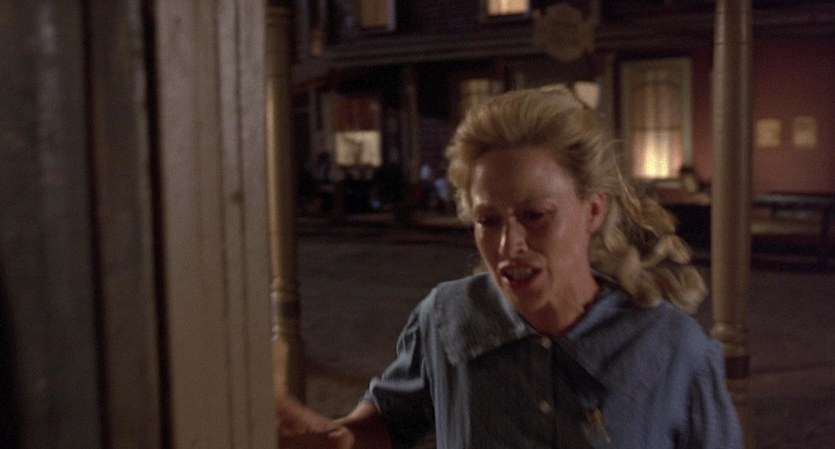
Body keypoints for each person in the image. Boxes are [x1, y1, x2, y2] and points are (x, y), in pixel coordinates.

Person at [277, 86, 743, 449]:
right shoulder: (447, 320)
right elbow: (387, 420)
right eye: (488, 220)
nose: (508, 245)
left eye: (535, 215)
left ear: (593, 211)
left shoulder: (672, 348)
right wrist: (338, 437)